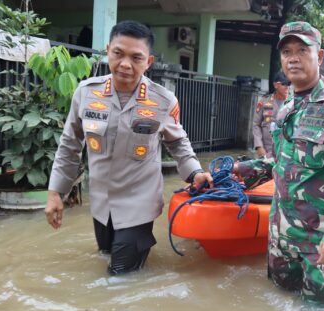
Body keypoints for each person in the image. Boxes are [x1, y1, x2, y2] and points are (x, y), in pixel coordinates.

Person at [44, 21, 213, 275]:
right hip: (101, 204)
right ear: (107, 50)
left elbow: (177, 142)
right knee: (105, 256)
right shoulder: (86, 93)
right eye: (118, 53)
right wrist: (56, 192)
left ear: (149, 62)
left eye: (136, 58)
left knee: (120, 278)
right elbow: (70, 144)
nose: (125, 64)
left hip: (139, 204)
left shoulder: (163, 101)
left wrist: (195, 173)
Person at [234, 21, 324, 308]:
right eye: (286, 52)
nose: (292, 58)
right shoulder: (285, 108)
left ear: (318, 57)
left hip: (319, 242)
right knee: (279, 307)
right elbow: (283, 162)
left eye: (301, 50)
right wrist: (244, 170)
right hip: (281, 236)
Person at [253, 71, 290, 158]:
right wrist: (259, 146)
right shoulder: (264, 101)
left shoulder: (293, 103)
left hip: (285, 151)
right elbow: (256, 124)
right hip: (266, 150)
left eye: (289, 84)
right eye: (284, 84)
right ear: (276, 85)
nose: (287, 87)